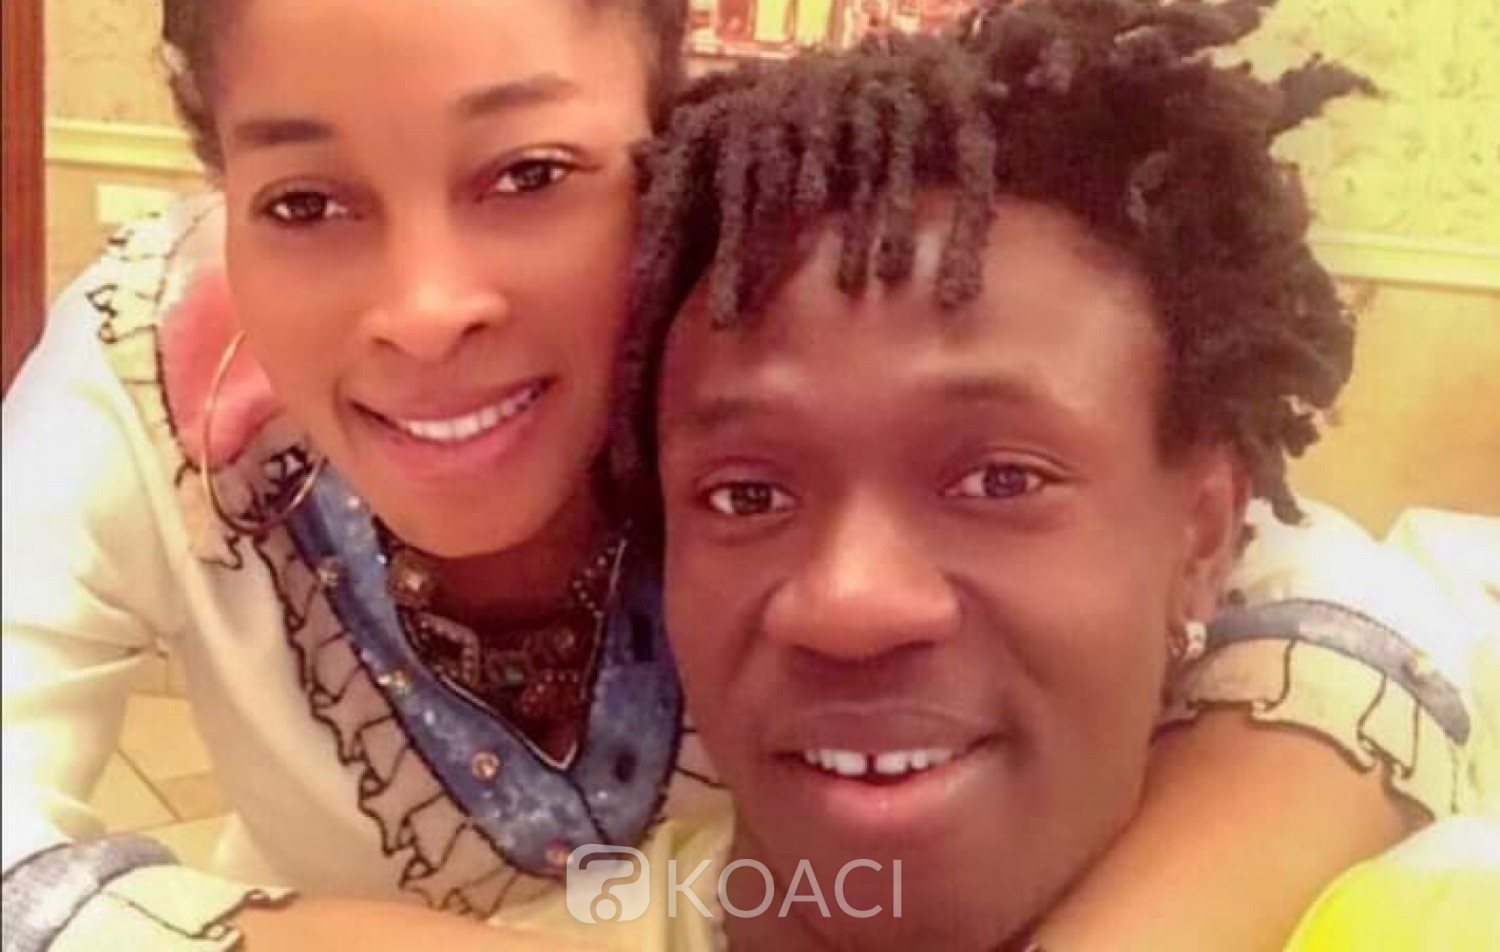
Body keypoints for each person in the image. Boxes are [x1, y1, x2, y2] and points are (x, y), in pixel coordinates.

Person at [0, 0, 1486, 949]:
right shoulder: (148, 382)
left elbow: (1340, 613)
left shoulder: (755, 306)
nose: (425, 307)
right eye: (302, 200)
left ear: (665, 135)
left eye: (529, 173)